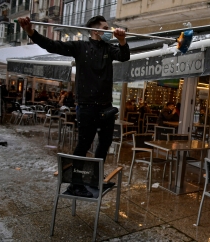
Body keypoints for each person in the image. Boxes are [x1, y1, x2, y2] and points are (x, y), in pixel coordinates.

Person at [18, 15, 130, 197]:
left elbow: (124, 56)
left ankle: (95, 178)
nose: (109, 31)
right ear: (95, 31)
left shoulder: (109, 48)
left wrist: (122, 40)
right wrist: (31, 31)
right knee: (84, 144)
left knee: (105, 142)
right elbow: (52, 45)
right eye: (105, 27)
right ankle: (75, 185)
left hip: (106, 106)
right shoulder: (80, 47)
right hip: (86, 106)